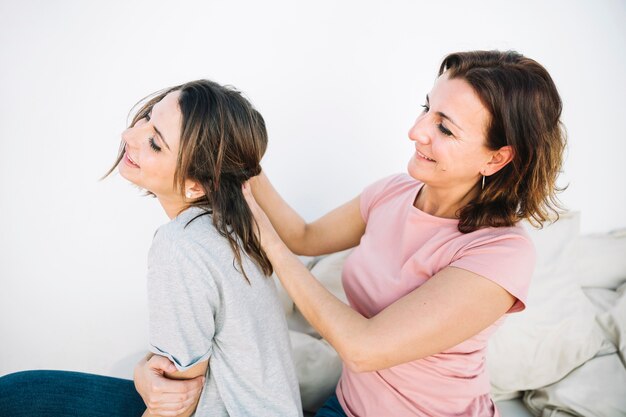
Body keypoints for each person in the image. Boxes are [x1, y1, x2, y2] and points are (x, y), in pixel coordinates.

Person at [135, 50, 566, 417]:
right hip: (346, 406)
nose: (416, 131)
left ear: (497, 158)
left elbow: (363, 348)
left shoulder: (501, 253)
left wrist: (267, 240)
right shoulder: (393, 192)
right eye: (426, 109)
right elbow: (304, 236)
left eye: (445, 128)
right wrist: (237, 154)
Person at [0, 80, 302, 417]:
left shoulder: (181, 245)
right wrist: (143, 371)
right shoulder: (237, 228)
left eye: (155, 143)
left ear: (196, 185)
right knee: (20, 394)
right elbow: (178, 368)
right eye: (146, 118)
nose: (130, 135)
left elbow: (175, 403)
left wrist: (149, 375)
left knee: (13, 399)